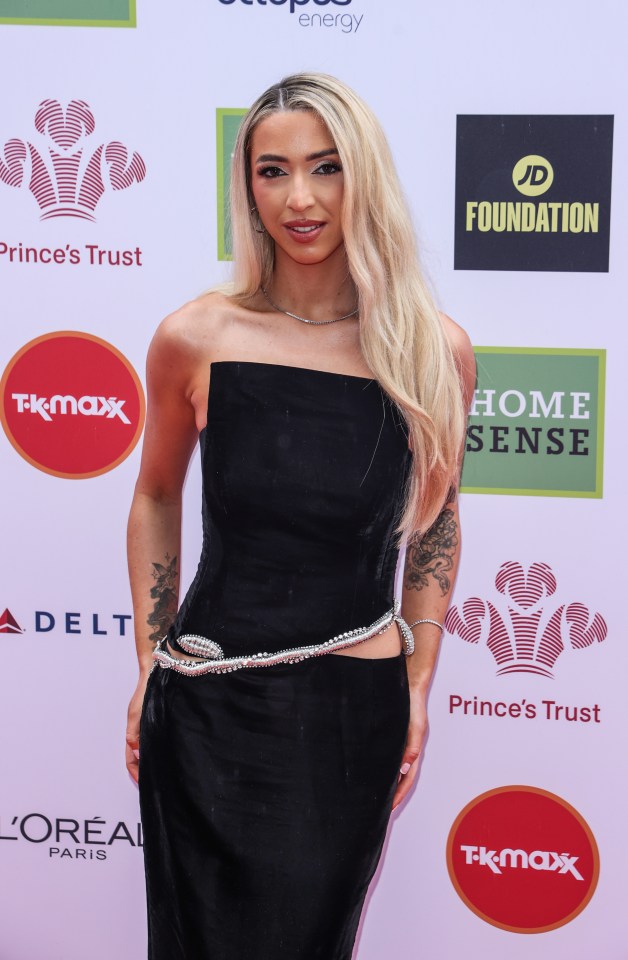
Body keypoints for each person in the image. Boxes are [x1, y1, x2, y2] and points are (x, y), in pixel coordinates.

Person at [126, 72, 475, 960]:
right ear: (245, 186)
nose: (302, 198)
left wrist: (419, 684)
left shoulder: (431, 349)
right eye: (272, 171)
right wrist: (147, 660)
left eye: (326, 167)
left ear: (365, 177)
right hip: (201, 704)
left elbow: (434, 525)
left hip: (346, 713)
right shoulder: (196, 336)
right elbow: (157, 494)